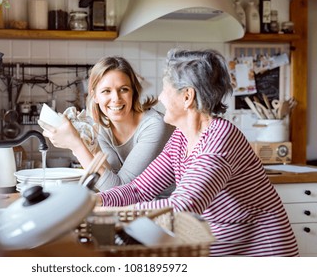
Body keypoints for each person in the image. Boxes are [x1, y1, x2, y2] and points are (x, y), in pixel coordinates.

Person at [96, 48, 299, 257]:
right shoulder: (181, 137)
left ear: (187, 96)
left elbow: (184, 206)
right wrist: (97, 201)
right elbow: (139, 190)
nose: (160, 97)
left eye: (165, 90)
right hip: (221, 246)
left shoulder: (220, 138)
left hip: (262, 252)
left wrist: (113, 215)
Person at [39, 56, 174, 192]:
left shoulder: (154, 126)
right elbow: (110, 178)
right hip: (135, 207)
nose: (116, 98)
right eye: (106, 91)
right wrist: (88, 144)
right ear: (95, 96)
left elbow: (120, 190)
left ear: (134, 92)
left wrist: (76, 144)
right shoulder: (103, 128)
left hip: (167, 207)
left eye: (124, 89)